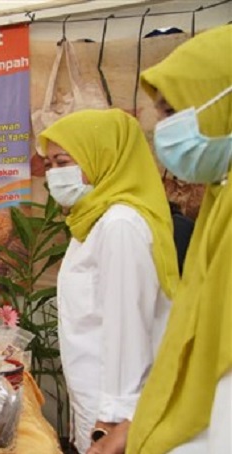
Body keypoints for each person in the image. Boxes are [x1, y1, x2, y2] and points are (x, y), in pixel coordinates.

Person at [91, 24, 232, 454]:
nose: (163, 131)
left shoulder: (120, 224)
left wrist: (120, 412)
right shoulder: (220, 200)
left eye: (171, 111)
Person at [38, 108, 179, 454]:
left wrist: (114, 420)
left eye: (63, 161)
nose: (54, 174)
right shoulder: (90, 224)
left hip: (115, 416)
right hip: (97, 400)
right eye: (49, 165)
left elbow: (127, 327)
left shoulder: (120, 225)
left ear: (101, 157)